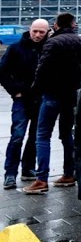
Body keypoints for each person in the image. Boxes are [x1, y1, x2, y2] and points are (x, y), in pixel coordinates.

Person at [24, 12, 81, 194]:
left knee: (43, 135)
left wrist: (35, 91)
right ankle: (69, 174)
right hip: (73, 96)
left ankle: (41, 179)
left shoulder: (52, 43)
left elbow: (42, 69)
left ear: (56, 25)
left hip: (52, 94)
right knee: (67, 135)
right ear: (73, 24)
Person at [0, 19, 48, 189]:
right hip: (22, 99)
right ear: (30, 30)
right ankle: (10, 173)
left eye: (42, 32)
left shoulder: (48, 48)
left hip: (40, 99)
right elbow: (2, 72)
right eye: (35, 31)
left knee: (35, 136)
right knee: (17, 136)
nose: (37, 35)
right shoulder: (15, 48)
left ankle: (28, 168)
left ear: (47, 32)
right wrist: (15, 91)